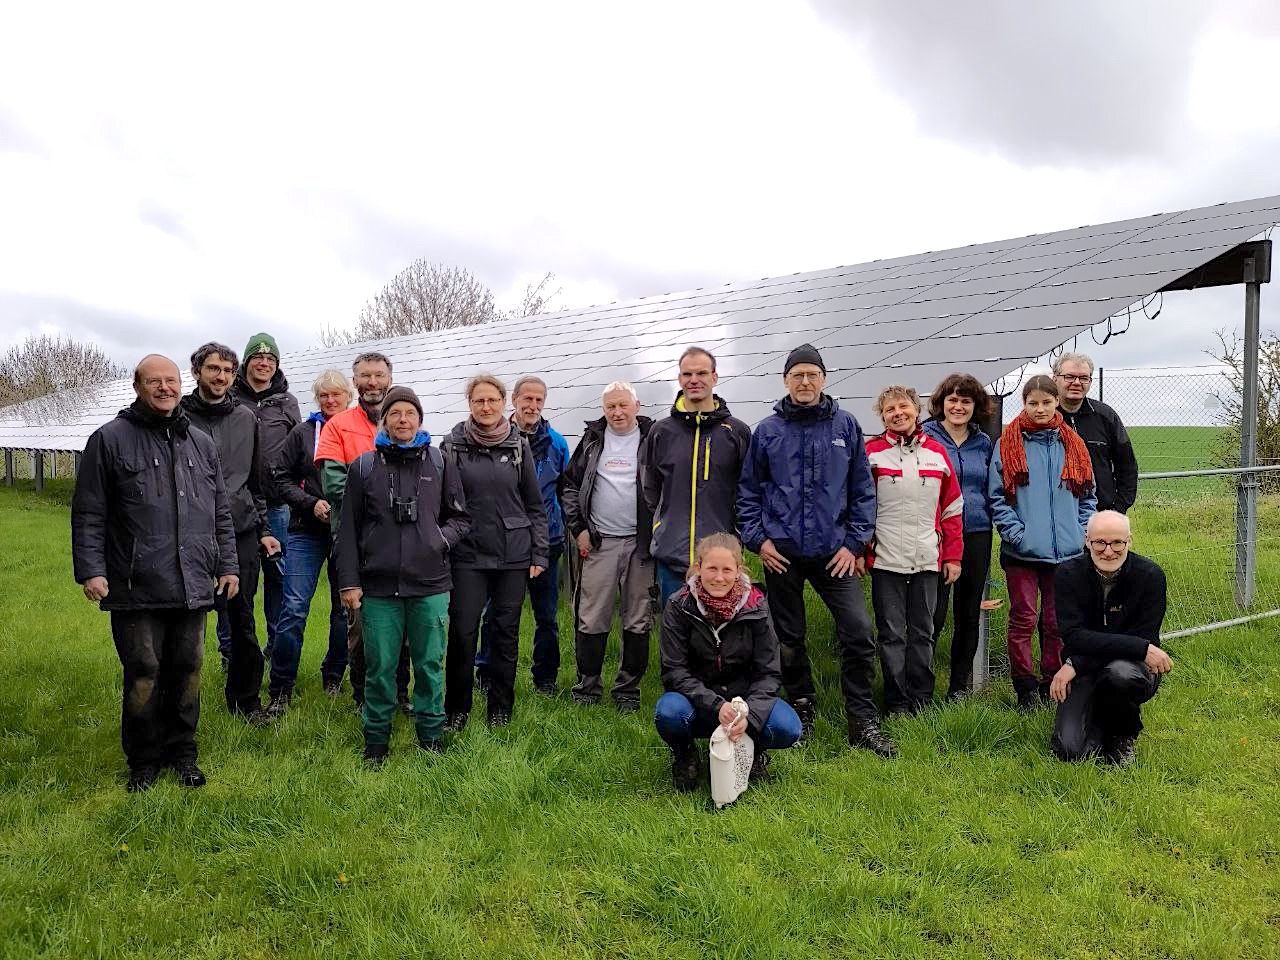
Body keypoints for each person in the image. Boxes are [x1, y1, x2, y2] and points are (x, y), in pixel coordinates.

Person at [71, 355, 239, 791]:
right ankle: (143, 761)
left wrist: (228, 564)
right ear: (138, 386)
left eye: (171, 380)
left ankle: (183, 754)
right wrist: (91, 569)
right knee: (144, 669)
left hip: (192, 580)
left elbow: (220, 511)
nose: (165, 388)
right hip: (134, 580)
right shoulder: (109, 440)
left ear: (180, 384)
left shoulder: (200, 443)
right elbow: (89, 512)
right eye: (154, 381)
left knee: (188, 667)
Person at [738, 343, 893, 757]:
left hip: (834, 554)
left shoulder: (845, 426)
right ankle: (802, 702)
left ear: (824, 378)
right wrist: (759, 540)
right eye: (796, 375)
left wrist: (854, 542)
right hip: (781, 554)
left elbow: (862, 490)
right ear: (785, 381)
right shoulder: (767, 431)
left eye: (812, 374)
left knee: (859, 632)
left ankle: (861, 717)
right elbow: (749, 493)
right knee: (787, 637)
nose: (804, 382)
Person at [336, 387, 471, 764]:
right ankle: (376, 743)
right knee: (380, 667)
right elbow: (346, 529)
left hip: (430, 585)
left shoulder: (440, 464)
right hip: (379, 588)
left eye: (409, 414)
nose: (402, 420)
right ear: (385, 420)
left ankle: (430, 738)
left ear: (420, 420)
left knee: (429, 665)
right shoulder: (364, 467)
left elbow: (461, 517)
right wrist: (350, 582)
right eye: (395, 413)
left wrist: (438, 540)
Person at [442, 374, 549, 729]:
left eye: (492, 400)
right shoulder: (452, 445)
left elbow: (535, 505)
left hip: (512, 555)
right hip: (468, 554)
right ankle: (457, 709)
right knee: (462, 632)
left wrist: (539, 553)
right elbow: (441, 504)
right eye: (478, 401)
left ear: (503, 402)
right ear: (469, 404)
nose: (485, 407)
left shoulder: (519, 446)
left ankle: (500, 710)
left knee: (505, 631)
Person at [181, 342, 281, 725]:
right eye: (213, 369)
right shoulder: (178, 417)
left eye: (226, 370)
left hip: (238, 531)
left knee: (242, 619)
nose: (220, 376)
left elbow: (255, 482)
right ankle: (180, 704)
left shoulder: (245, 419)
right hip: (188, 532)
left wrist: (264, 528)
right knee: (185, 622)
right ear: (197, 372)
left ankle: (246, 701)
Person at [656, 533, 802, 792]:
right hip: (697, 700)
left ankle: (752, 752)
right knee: (669, 713)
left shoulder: (756, 606)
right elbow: (673, 671)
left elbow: (769, 672)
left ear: (738, 571)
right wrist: (716, 705)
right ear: (698, 568)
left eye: (727, 569)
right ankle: (685, 754)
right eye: (711, 568)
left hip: (744, 700)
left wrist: (750, 715)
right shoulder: (678, 606)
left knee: (788, 728)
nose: (719, 577)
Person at [988, 374, 1096, 711]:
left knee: (1055, 622)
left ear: (1056, 402)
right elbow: (997, 497)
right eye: (1033, 403)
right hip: (1022, 552)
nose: (1040, 409)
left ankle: (1053, 680)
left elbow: (1087, 495)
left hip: (1066, 552)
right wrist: (1017, 534)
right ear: (1024, 404)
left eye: (1046, 402)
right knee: (1024, 617)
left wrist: (1079, 532)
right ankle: (1024, 687)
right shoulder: (1007, 443)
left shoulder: (1073, 444)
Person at [314, 351, 410, 710]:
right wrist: (387, 499)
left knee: (401, 617)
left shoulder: (404, 420)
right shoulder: (338, 425)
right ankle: (363, 697)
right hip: (354, 539)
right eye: (365, 376)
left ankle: (400, 695)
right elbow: (334, 483)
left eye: (379, 376)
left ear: (390, 377)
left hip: (401, 541)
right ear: (355, 382)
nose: (373, 383)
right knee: (359, 620)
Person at [865, 386, 964, 715]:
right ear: (882, 415)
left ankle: (921, 700)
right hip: (886, 560)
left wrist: (952, 556)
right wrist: (865, 553)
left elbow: (952, 509)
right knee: (892, 634)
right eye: (890, 409)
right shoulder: (872, 453)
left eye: (903, 407)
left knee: (924, 632)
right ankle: (896, 702)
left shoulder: (937, 452)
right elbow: (861, 509)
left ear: (916, 410)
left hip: (927, 559)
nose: (898, 413)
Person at [561, 381, 657, 712]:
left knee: (637, 617)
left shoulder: (653, 439)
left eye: (622, 405)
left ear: (637, 405)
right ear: (603, 410)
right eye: (610, 407)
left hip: (641, 545)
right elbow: (570, 486)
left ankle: (628, 689)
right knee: (591, 617)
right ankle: (587, 687)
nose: (617, 412)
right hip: (600, 541)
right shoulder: (591, 441)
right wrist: (579, 529)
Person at [1049, 511, 1170, 766]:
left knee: (1120, 674)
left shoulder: (1151, 576)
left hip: (1130, 668)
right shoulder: (1067, 574)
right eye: (1099, 543)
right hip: (1085, 667)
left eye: (1117, 543)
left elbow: (1143, 638)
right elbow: (1074, 636)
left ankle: (1123, 735)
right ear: (1087, 541)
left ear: (1129, 541)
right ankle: (1098, 722)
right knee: (1069, 750)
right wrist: (1140, 648)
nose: (1108, 551)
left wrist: (1075, 664)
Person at [476, 375, 571, 696]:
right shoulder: (497, 436)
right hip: (505, 543)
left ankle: (545, 678)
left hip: (548, 541)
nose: (532, 406)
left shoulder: (557, 444)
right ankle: (486, 671)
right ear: (513, 400)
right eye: (526, 399)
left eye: (538, 400)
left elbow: (564, 489)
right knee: (496, 612)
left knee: (546, 615)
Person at [265, 370, 353, 714]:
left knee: (345, 611)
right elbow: (281, 477)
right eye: (324, 396)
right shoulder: (303, 434)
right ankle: (281, 688)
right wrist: (308, 503)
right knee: (293, 610)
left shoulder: (360, 430)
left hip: (348, 535)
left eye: (337, 395)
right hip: (306, 531)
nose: (330, 401)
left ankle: (333, 676)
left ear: (349, 396)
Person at [641, 347, 752, 606]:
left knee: (720, 635)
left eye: (701, 373)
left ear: (715, 377)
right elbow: (650, 487)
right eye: (687, 374)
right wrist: (661, 525)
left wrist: (737, 534)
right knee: (674, 632)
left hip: (720, 561)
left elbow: (749, 490)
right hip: (672, 555)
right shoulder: (661, 431)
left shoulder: (736, 432)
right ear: (679, 379)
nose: (694, 379)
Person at [922, 373, 995, 700]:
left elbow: (992, 488)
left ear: (975, 406)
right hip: (935, 536)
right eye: (952, 400)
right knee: (933, 615)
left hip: (977, 533)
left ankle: (958, 687)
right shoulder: (925, 437)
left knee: (968, 614)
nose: (958, 406)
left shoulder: (985, 442)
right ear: (941, 403)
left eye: (966, 401)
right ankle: (920, 685)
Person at [233, 332, 300, 661]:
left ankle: (275, 648)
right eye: (258, 358)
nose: (264, 363)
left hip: (277, 505)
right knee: (239, 579)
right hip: (237, 504)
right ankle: (234, 651)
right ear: (246, 362)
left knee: (278, 577)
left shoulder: (287, 402)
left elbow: (300, 449)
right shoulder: (229, 398)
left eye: (271, 359)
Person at [1053, 352, 1138, 514]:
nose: (1077, 383)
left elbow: (1127, 466)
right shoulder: (1044, 419)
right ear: (1055, 379)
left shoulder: (1106, 417)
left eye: (1084, 378)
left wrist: (1118, 509)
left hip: (1101, 514)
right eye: (1069, 377)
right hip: (1057, 516)